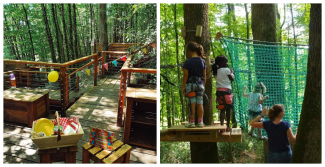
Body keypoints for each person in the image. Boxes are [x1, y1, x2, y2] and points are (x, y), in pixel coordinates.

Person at [182, 41, 207, 128]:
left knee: (192, 103)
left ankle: (192, 122)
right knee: (200, 103)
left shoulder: (188, 62)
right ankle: (200, 122)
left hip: (190, 85)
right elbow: (204, 76)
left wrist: (183, 87)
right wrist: (203, 85)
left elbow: (185, 75)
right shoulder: (202, 61)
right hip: (200, 84)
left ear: (190, 51)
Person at [212, 55, 234, 132]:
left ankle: (221, 127)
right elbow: (232, 79)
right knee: (228, 110)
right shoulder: (227, 70)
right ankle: (227, 126)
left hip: (219, 93)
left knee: (222, 110)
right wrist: (232, 73)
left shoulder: (215, 71)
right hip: (227, 93)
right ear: (221, 63)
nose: (227, 63)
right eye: (226, 62)